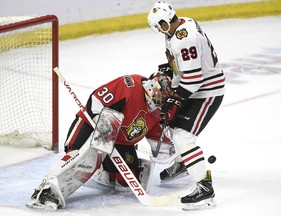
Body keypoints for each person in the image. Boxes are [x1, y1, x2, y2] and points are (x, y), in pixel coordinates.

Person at [26, 72, 176, 210]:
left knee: (125, 184)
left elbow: (160, 142)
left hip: (119, 142)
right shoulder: (128, 86)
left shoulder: (158, 112)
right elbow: (96, 100)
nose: (162, 103)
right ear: (151, 88)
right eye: (160, 98)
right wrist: (103, 126)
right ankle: (46, 191)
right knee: (80, 160)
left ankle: (102, 168)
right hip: (92, 126)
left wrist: (172, 153)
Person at [147, 1, 225, 210]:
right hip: (196, 87)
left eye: (159, 26)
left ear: (164, 23)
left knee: (183, 135)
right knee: (175, 128)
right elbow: (181, 67)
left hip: (207, 91)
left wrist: (175, 100)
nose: (160, 31)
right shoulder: (178, 28)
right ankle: (184, 163)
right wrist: (167, 73)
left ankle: (204, 189)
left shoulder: (184, 38)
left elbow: (193, 78)